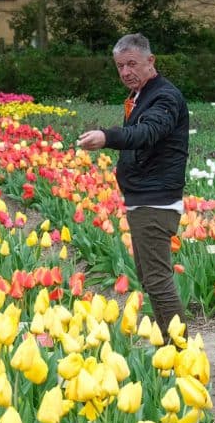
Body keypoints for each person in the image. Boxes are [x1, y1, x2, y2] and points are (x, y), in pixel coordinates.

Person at [76, 33, 188, 333]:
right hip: (143, 197)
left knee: (158, 281)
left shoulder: (164, 97)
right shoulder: (141, 95)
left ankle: (182, 349)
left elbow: (147, 133)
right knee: (151, 280)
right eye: (120, 66)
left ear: (150, 61)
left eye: (132, 64)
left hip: (156, 200)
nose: (126, 72)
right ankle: (171, 345)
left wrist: (107, 136)